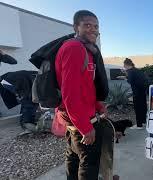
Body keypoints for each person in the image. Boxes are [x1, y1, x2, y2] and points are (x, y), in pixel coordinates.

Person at [55, 10, 109, 179]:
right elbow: (69, 93)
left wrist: (98, 105)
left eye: (96, 26)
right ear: (75, 27)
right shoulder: (74, 48)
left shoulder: (87, 50)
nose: (93, 29)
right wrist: (85, 127)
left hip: (74, 118)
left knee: (73, 157)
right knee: (89, 164)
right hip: (81, 120)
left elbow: (86, 87)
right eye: (87, 25)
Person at [123, 58, 148, 129]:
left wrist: (125, 78)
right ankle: (144, 122)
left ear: (126, 65)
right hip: (143, 91)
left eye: (124, 65)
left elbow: (130, 81)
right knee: (143, 107)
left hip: (137, 93)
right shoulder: (137, 70)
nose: (124, 67)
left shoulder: (130, 71)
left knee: (137, 108)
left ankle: (139, 125)